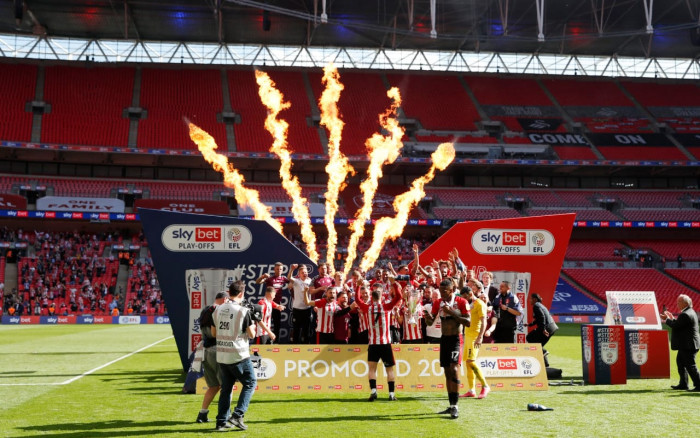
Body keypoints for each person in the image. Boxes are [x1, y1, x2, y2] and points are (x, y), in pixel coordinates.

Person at [212, 281, 257, 431]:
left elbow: (213, 333)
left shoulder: (217, 309)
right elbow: (252, 334)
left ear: (228, 292)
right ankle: (237, 415)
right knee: (250, 383)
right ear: (241, 293)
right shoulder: (243, 311)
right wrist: (253, 324)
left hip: (222, 355)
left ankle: (221, 421)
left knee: (226, 389)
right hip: (238, 354)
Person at [424, 279, 471, 419]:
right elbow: (430, 322)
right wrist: (427, 317)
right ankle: (451, 405)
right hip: (444, 339)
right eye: (440, 290)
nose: (442, 293)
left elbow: (468, 322)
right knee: (447, 372)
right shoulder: (438, 302)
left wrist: (451, 312)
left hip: (456, 339)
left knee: (454, 370)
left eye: (444, 291)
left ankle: (455, 406)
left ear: (452, 290)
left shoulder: (461, 302)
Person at [354, 281, 402, 401]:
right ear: (381, 297)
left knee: (372, 369)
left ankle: (374, 392)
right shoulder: (386, 307)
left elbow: (357, 300)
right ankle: (391, 394)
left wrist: (358, 286)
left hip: (373, 344)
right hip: (385, 343)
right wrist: (395, 284)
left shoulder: (367, 308)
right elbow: (399, 297)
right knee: (389, 369)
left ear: (372, 297)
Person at [196, 291, 226, 424]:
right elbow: (216, 333)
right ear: (224, 300)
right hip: (217, 350)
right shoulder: (218, 310)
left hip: (205, 351)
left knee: (213, 386)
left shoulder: (205, 310)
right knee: (226, 386)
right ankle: (224, 416)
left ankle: (202, 414)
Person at [661, 294, 700, 391]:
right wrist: (672, 318)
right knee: (681, 364)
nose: (677, 304)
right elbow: (680, 324)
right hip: (688, 344)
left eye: (679, 302)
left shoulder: (685, 314)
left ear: (685, 303)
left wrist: (667, 319)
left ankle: (698, 385)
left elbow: (676, 326)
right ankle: (683, 384)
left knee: (690, 365)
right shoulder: (689, 312)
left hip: (688, 345)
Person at [460, 280, 490, 399]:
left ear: (470, 294)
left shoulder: (480, 304)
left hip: (474, 336)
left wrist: (480, 337)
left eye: (465, 297)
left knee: (471, 361)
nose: (464, 299)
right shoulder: (470, 304)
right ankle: (471, 390)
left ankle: (485, 385)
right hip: (467, 336)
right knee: (467, 363)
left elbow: (484, 322)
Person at [255, 262, 289, 341]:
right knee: (265, 321)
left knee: (277, 324)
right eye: (277, 269)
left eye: (280, 269)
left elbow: (292, 281)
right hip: (268, 303)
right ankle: (265, 338)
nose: (279, 270)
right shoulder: (270, 278)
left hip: (277, 304)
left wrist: (291, 284)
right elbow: (257, 282)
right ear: (274, 269)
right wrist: (263, 276)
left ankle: (276, 341)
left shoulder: (283, 278)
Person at [526, 293, 558, 367]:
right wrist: (530, 324)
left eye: (531, 299)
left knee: (529, 337)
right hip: (552, 327)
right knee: (539, 346)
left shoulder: (536, 306)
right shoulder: (540, 305)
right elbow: (538, 319)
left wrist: (543, 329)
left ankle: (544, 351)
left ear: (535, 299)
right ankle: (546, 366)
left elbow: (542, 317)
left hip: (547, 328)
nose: (530, 300)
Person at [288, 264, 312, 344]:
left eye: (305, 272)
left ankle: (306, 346)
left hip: (307, 309)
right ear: (299, 274)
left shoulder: (310, 281)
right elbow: (289, 278)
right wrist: (291, 269)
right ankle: (295, 346)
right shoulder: (296, 281)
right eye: (302, 273)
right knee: (296, 329)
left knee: (306, 330)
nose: (304, 274)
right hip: (297, 309)